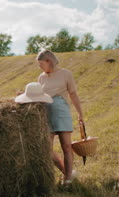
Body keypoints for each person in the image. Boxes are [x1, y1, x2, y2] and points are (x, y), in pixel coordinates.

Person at [37, 50, 84, 185]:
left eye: (41, 64)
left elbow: (73, 94)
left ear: (48, 61)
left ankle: (68, 180)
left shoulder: (65, 74)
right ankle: (64, 172)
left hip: (62, 112)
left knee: (66, 147)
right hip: (47, 114)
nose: (40, 67)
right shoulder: (41, 78)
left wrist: (80, 114)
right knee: (47, 149)